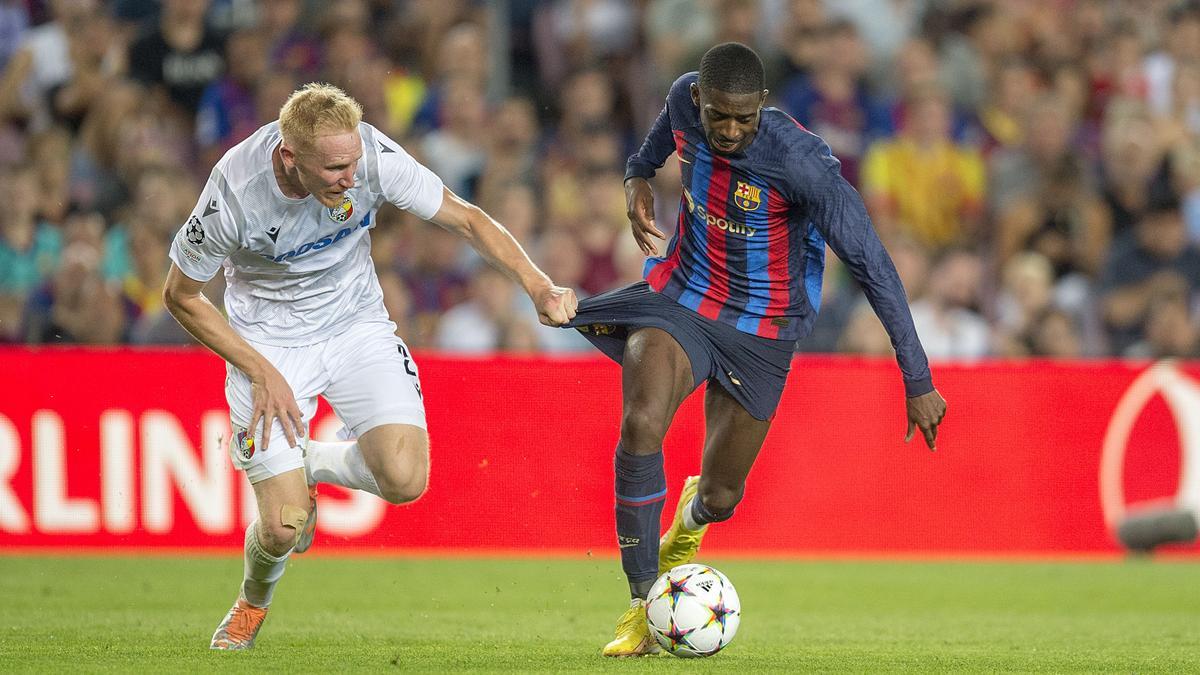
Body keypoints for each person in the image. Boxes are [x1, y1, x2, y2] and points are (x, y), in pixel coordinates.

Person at [162, 83, 577, 650]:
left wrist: (538, 285)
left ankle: (312, 464)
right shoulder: (234, 194)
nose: (350, 178)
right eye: (334, 168)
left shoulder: (373, 157)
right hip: (267, 343)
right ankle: (252, 603)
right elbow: (181, 295)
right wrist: (259, 369)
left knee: (406, 480)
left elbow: (467, 219)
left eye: (353, 161)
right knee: (283, 527)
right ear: (290, 157)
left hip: (356, 324)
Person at [564, 43, 947, 657]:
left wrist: (918, 378)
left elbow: (873, 264)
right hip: (683, 298)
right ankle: (641, 605)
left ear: (763, 106)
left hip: (761, 331)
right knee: (641, 424)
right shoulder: (683, 101)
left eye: (745, 118)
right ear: (700, 101)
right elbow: (651, 148)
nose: (732, 130)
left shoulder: (803, 163)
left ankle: (688, 523)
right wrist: (637, 178)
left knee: (721, 498)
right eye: (719, 116)